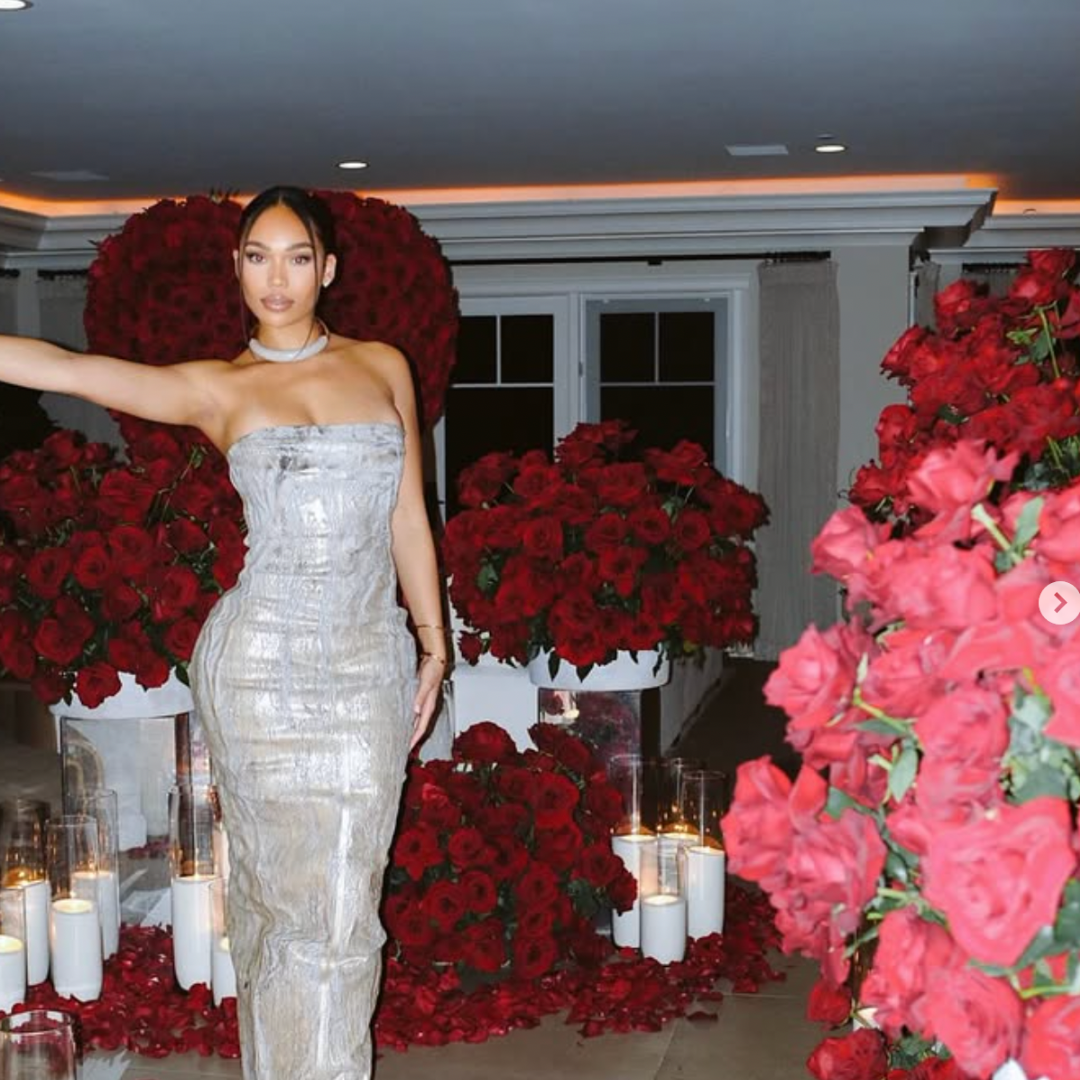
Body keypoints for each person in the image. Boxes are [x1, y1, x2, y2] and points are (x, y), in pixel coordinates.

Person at [0, 185, 448, 1079]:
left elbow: (408, 514)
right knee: (277, 906)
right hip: (258, 669)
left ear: (328, 269)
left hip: (367, 662)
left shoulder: (382, 366)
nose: (276, 278)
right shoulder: (219, 387)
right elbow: (68, 369)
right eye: (256, 256)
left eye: (296, 257)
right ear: (236, 268)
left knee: (346, 908)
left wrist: (434, 641)